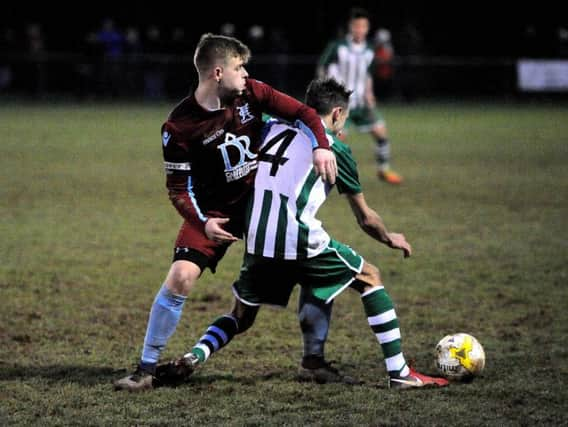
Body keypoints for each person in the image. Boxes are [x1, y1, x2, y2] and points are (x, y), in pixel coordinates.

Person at [155, 78, 449, 390]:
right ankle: (399, 372)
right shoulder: (335, 150)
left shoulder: (268, 128)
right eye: (343, 119)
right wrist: (389, 237)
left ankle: (195, 357)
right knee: (370, 277)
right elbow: (365, 219)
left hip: (257, 240)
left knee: (242, 315)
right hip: (297, 237)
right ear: (336, 114)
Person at [113, 33, 337, 391]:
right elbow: (177, 188)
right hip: (214, 212)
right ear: (217, 72)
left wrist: (321, 148)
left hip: (261, 203)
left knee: (309, 262)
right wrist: (203, 221)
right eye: (239, 66)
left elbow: (303, 113)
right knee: (181, 277)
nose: (246, 73)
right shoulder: (179, 127)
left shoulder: (253, 93)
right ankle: (145, 369)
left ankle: (314, 359)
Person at [318, 8, 403, 185]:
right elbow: (322, 67)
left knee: (381, 133)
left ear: (367, 28)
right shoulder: (338, 46)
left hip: (361, 103)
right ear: (351, 27)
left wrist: (369, 93)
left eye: (363, 26)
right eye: (356, 26)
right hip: (341, 104)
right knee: (336, 141)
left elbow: (367, 75)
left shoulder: (370, 50)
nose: (359, 29)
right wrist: (325, 90)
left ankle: (384, 169)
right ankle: (325, 176)